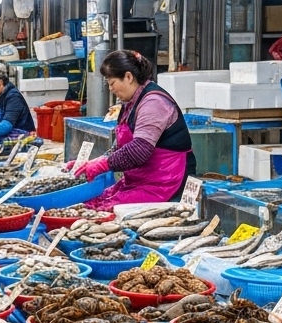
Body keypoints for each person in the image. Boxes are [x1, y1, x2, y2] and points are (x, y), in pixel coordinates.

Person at [71, 50, 196, 208]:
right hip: (140, 178)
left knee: (106, 210)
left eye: (112, 83)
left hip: (164, 181)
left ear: (128, 77)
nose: (111, 89)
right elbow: (119, 147)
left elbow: (139, 150)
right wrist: (92, 162)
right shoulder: (130, 103)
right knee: (90, 203)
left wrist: (104, 165)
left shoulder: (153, 103)